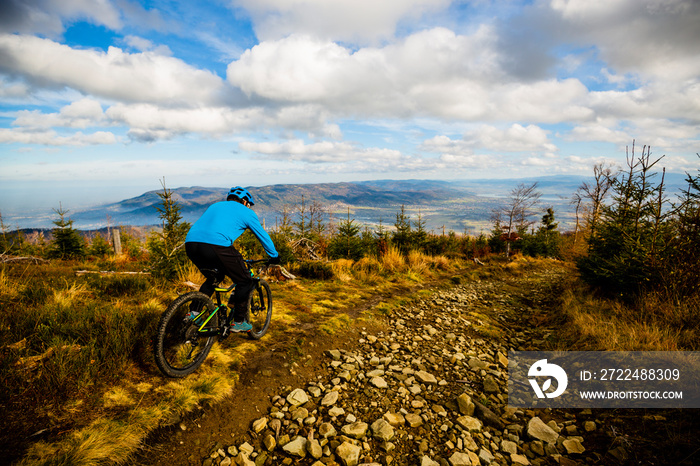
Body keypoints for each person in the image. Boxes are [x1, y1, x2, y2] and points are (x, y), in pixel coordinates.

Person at [185, 186, 279, 332]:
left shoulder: (215, 206)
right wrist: (274, 255)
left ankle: (194, 313)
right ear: (245, 201)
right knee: (245, 280)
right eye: (249, 204)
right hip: (217, 245)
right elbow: (263, 236)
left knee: (213, 278)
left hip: (191, 244)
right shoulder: (247, 212)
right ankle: (239, 321)